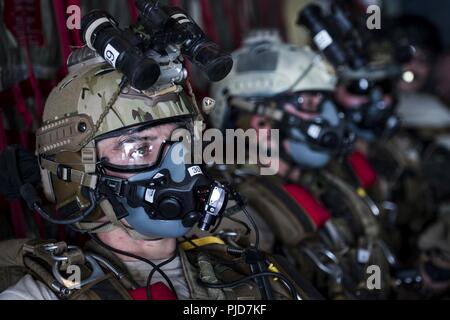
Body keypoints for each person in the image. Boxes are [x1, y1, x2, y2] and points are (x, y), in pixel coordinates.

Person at [0, 45, 321, 300]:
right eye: (140, 148)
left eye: (180, 142)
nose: (178, 165)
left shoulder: (249, 270)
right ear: (79, 173)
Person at [209, 30, 393, 299]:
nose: (326, 118)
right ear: (259, 120)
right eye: (308, 103)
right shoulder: (230, 209)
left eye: (322, 103)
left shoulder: (318, 178)